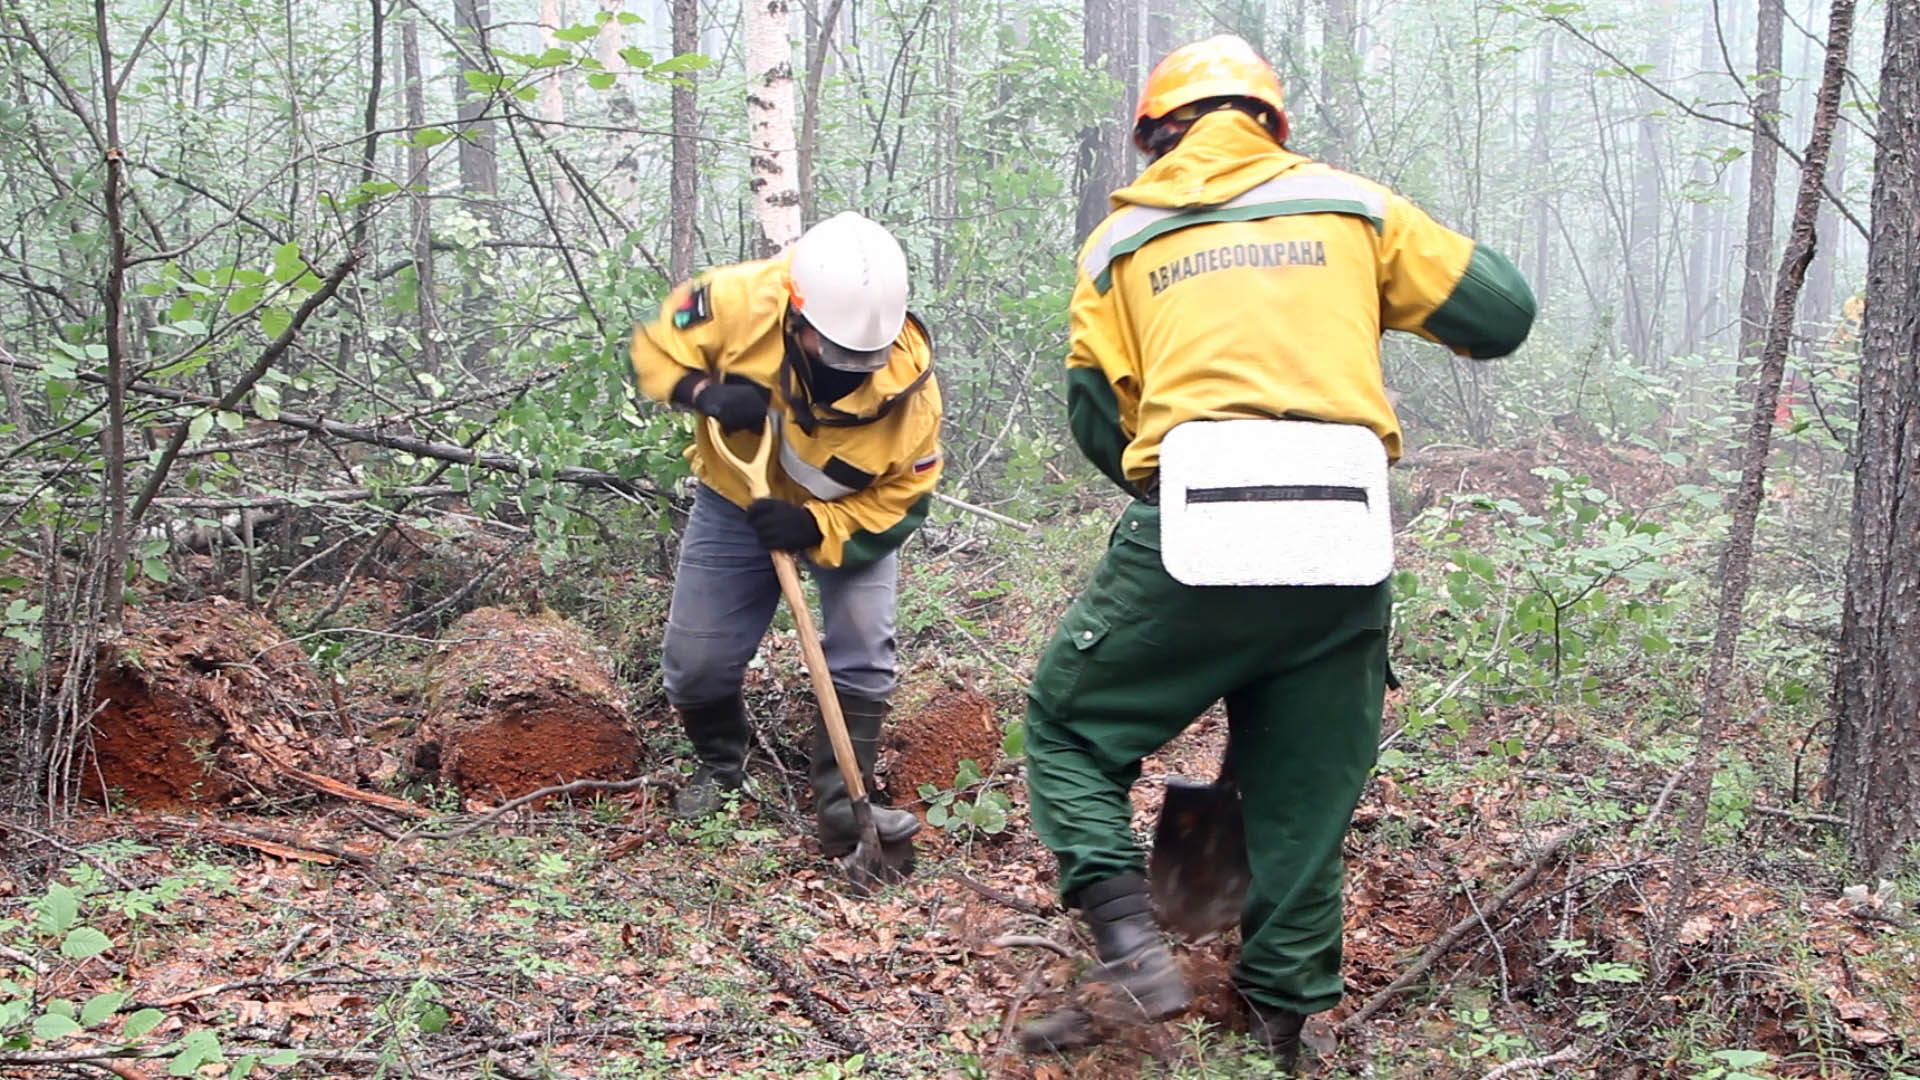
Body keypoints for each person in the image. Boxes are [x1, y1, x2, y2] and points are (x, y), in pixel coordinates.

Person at [1018, 35, 1536, 1068]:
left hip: (1196, 516)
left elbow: (1093, 417)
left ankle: (1130, 943)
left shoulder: (1118, 246)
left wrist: (1164, 492)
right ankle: (1280, 1028)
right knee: (1302, 794)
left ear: (1158, 136)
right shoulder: (1356, 208)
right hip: (1344, 526)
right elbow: (1501, 316)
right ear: (1269, 126)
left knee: (1068, 731)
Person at [628, 211, 941, 858]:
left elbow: (902, 504)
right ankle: (720, 764)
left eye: (865, 359)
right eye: (836, 354)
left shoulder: (912, 396)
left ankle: (841, 805)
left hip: (849, 516)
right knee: (696, 666)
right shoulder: (738, 302)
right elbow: (654, 347)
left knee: (863, 654)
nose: (851, 371)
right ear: (796, 320)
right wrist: (701, 391)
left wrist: (814, 525)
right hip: (737, 498)